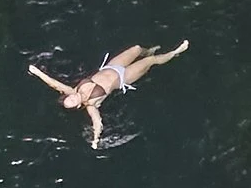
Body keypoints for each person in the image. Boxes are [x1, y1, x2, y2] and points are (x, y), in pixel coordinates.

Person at [28, 41, 189, 146]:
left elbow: (53, 83)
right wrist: (96, 140)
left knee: (137, 49)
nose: (73, 97)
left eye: (69, 98)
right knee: (150, 62)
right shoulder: (91, 105)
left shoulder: (73, 90)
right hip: (123, 78)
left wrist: (37, 72)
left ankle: (148, 51)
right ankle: (175, 52)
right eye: (72, 102)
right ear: (77, 106)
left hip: (111, 66)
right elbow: (97, 122)